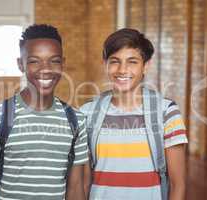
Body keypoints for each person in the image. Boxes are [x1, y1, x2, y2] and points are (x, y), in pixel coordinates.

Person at [0, 24, 88, 200]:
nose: (45, 69)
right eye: (34, 61)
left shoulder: (76, 120)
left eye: (54, 61)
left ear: (63, 63)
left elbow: (76, 187)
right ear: (20, 64)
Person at [80, 28, 188, 200]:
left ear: (146, 66)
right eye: (115, 61)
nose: (122, 70)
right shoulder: (87, 113)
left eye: (132, 62)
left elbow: (178, 184)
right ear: (105, 64)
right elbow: (83, 184)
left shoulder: (166, 112)